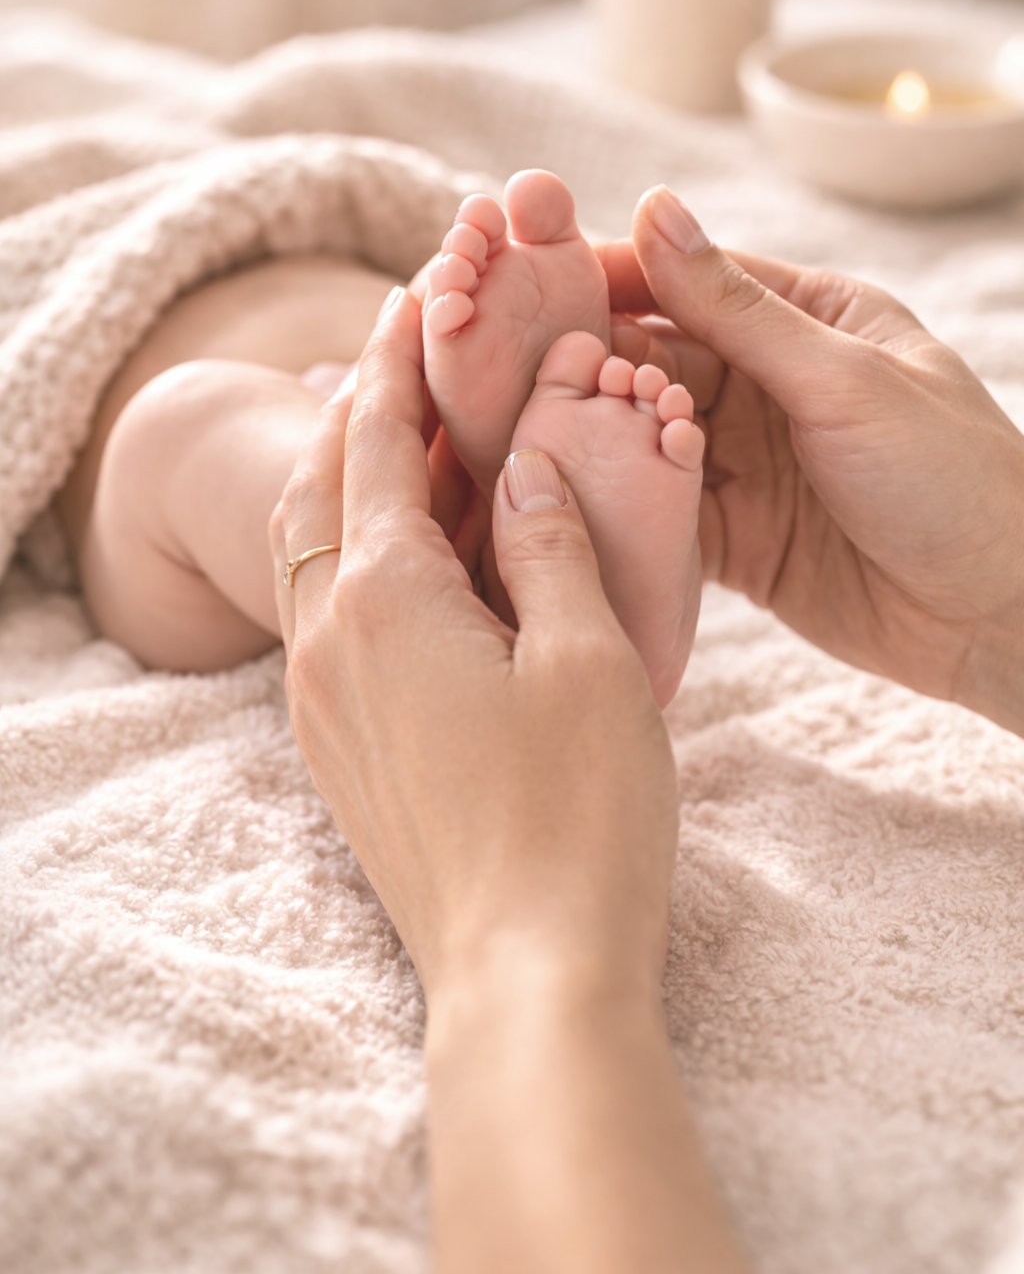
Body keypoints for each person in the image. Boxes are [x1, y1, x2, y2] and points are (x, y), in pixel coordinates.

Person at [272, 194, 1024, 1271]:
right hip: (347, 332)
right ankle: (508, 497)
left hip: (295, 354)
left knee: (211, 436)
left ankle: (484, 500)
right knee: (270, 435)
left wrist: (514, 913)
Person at [60, 170, 706, 709]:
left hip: (388, 376)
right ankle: (526, 542)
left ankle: (489, 484)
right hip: (353, 393)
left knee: (192, 428)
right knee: (181, 424)